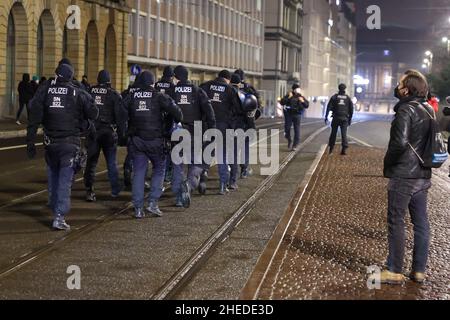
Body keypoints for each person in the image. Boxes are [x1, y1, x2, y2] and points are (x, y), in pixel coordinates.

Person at [26, 63, 99, 230]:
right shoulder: (77, 92)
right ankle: (59, 216)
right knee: (65, 181)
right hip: (69, 143)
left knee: (53, 175)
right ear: (71, 76)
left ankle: (54, 206)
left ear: (56, 74)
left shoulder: (45, 90)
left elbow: (34, 114)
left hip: (50, 143)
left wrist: (30, 141)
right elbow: (94, 112)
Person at [381, 70, 433, 284]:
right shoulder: (428, 109)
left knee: (397, 220)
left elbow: (399, 143)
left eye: (400, 82)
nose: (397, 85)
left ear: (407, 88)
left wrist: (389, 163)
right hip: (423, 174)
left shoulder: (406, 110)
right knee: (421, 222)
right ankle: (418, 270)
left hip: (404, 174)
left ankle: (394, 270)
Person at [121, 71, 183, 219]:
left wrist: (126, 133)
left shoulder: (131, 97)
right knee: (159, 169)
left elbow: (121, 114)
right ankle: (153, 203)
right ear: (152, 83)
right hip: (156, 140)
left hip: (137, 140)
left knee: (139, 172)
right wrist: (168, 122)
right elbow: (178, 114)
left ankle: (137, 208)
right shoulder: (159, 97)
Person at [170, 65, 216, 207]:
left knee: (178, 165)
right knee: (196, 164)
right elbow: (209, 112)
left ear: (176, 77)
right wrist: (212, 129)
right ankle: (189, 185)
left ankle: (179, 198)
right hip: (196, 130)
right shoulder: (198, 91)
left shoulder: (171, 91)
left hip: (177, 132)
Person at [84, 70, 123, 202]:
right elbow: (120, 116)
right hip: (108, 132)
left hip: (93, 131)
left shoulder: (89, 92)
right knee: (111, 162)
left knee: (91, 162)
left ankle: (89, 190)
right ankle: (115, 189)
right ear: (108, 80)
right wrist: (122, 133)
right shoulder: (113, 94)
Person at [200, 70, 242, 195]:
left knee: (207, 152)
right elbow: (238, 109)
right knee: (222, 155)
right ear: (228, 79)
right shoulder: (230, 90)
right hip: (224, 127)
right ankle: (223, 185)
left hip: (208, 125)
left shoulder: (205, 86)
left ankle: (202, 176)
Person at [229, 74, 258, 190]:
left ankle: (230, 172)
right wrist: (252, 127)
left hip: (230, 125)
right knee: (244, 147)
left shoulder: (228, 91)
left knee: (232, 150)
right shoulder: (247, 90)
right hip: (243, 124)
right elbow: (253, 108)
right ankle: (244, 170)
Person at [234, 69, 261, 178]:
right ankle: (244, 169)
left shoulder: (231, 89)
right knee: (245, 146)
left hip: (234, 122)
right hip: (246, 122)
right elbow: (257, 105)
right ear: (243, 78)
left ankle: (232, 171)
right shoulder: (249, 88)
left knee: (233, 147)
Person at [155, 66, 176, 183]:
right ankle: (168, 171)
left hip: (156, 120)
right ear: (172, 76)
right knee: (170, 147)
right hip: (168, 120)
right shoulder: (173, 87)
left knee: (158, 146)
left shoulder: (156, 85)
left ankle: (158, 170)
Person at [325, 83, 353, 155]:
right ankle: (344, 149)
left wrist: (326, 117)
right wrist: (350, 119)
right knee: (344, 134)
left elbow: (328, 107)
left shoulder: (334, 97)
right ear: (345, 89)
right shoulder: (347, 98)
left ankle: (331, 149)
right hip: (344, 118)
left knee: (333, 133)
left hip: (336, 117)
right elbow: (351, 109)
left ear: (338, 88)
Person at [280, 84, 309, 151]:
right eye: (296, 89)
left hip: (297, 115)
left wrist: (303, 101)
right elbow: (282, 102)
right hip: (289, 114)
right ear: (293, 89)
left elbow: (307, 105)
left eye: (298, 88)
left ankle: (295, 145)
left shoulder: (301, 96)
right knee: (287, 129)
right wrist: (288, 97)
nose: (298, 90)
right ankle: (289, 139)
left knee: (297, 130)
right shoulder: (289, 95)